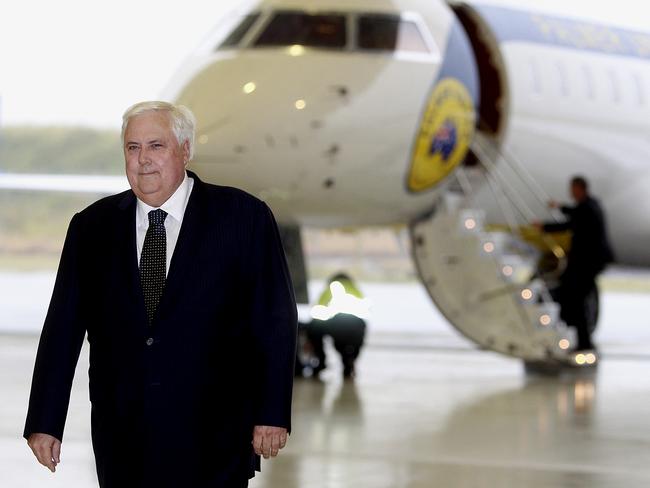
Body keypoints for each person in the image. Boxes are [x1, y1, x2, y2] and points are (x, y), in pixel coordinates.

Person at [23, 101, 298, 487]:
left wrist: (271, 412)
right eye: (133, 148)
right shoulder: (92, 227)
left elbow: (275, 320)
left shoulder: (244, 217)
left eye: (156, 146)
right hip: (122, 436)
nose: (143, 160)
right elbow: (62, 329)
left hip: (215, 435)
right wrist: (44, 421)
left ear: (185, 150)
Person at [535, 176, 614, 352]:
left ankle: (583, 343)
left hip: (586, 264)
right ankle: (582, 341)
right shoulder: (591, 205)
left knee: (575, 301)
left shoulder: (587, 208)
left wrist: (545, 227)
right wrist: (560, 208)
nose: (570, 193)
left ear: (579, 189)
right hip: (588, 263)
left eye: (572, 189)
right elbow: (575, 215)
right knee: (574, 300)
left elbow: (572, 222)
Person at [304, 273, 367, 379]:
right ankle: (349, 362)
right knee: (352, 344)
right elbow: (365, 307)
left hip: (335, 323)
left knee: (313, 327)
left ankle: (321, 361)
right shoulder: (355, 289)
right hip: (357, 324)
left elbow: (318, 307)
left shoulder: (330, 287)